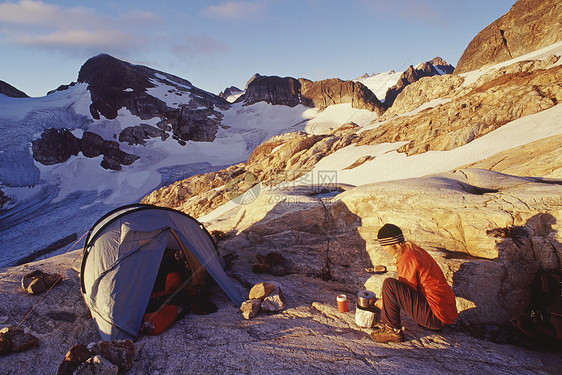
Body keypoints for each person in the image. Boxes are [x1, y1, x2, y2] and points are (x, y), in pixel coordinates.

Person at [370, 223, 458, 343]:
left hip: (436, 317)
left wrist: (385, 303)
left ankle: (392, 330)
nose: (383, 249)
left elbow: (404, 293)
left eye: (384, 245)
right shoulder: (413, 250)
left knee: (389, 284)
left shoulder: (408, 259)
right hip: (442, 314)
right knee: (391, 287)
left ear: (394, 245)